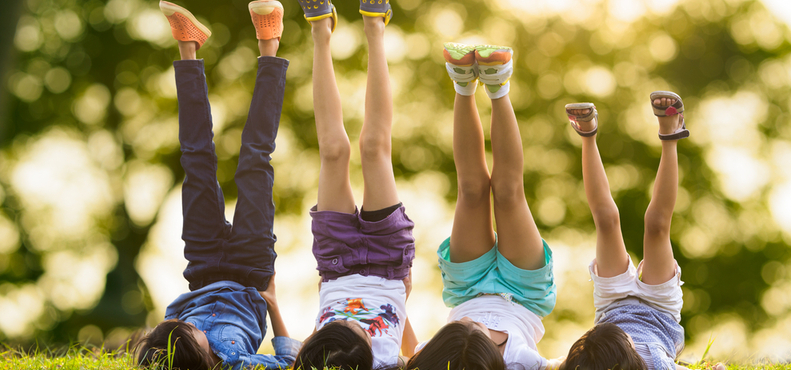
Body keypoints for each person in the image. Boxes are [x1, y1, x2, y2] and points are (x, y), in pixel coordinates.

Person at [133, 1, 299, 369]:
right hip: (253, 272)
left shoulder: (168, 352)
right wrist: (272, 304)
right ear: (203, 354)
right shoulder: (237, 363)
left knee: (195, 160)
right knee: (255, 159)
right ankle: (270, 43)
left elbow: (169, 328)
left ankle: (188, 47)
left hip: (202, 264)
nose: (188, 326)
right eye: (190, 331)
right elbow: (290, 362)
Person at [406, 43, 561, 370]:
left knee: (471, 189)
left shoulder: (434, 361)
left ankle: (463, 84)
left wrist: (397, 297)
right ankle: (498, 85)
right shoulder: (522, 361)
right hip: (524, 293)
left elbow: (408, 352)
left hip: (467, 289)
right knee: (508, 191)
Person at [291, 0, 417, 369]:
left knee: (333, 151)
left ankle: (320, 31)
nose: (351, 324)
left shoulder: (313, 360)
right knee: (374, 148)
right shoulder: (385, 363)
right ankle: (375, 28)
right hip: (386, 260)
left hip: (336, 262)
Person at [561, 93, 724, 370]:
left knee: (606, 220)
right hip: (660, 312)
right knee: (657, 225)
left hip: (612, 309)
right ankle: (670, 132)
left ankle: (587, 134)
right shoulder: (660, 367)